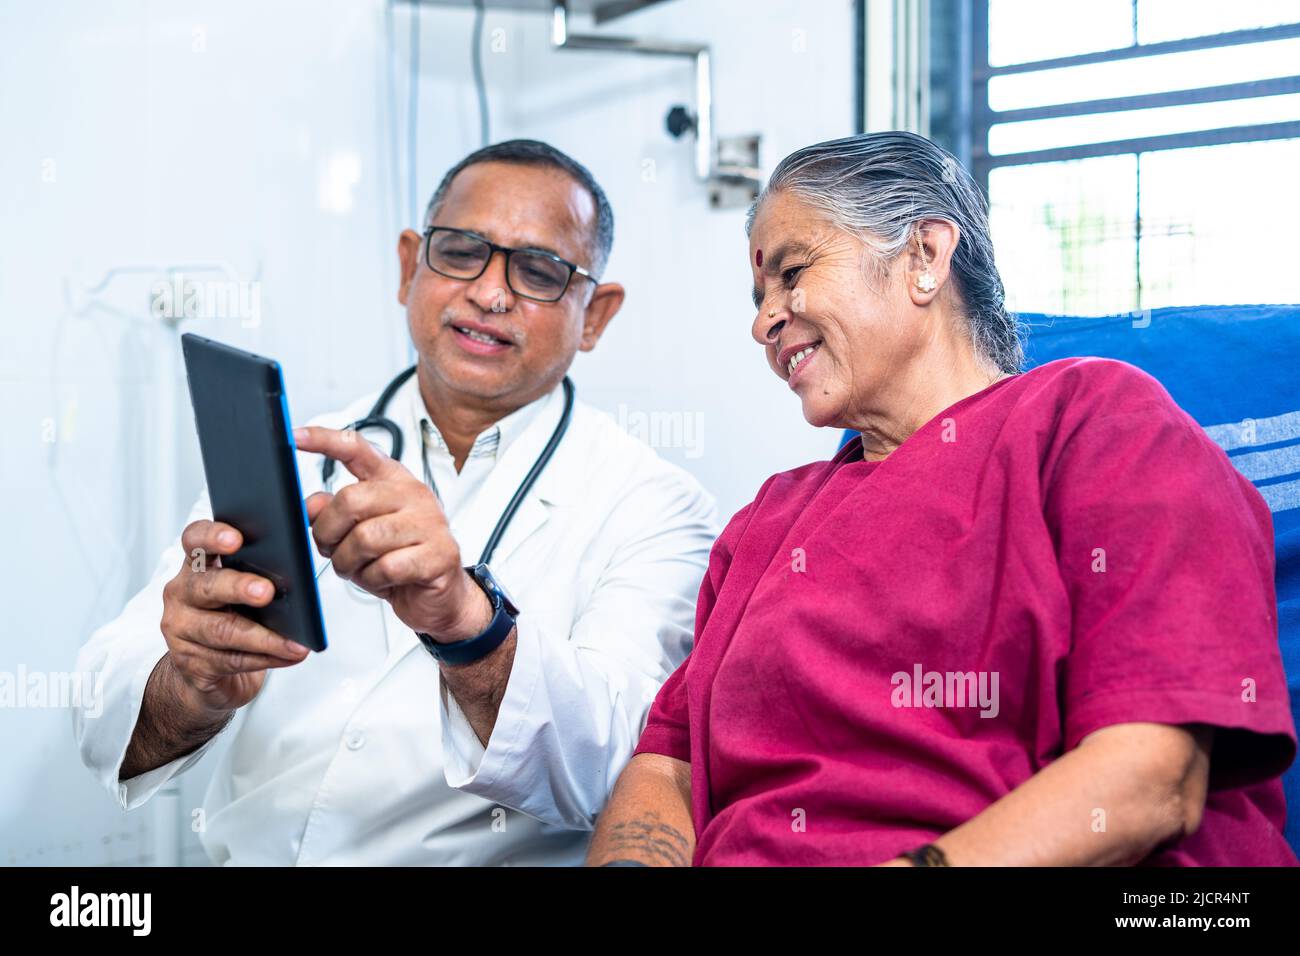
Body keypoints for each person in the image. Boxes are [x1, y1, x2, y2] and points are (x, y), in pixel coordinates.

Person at [588, 131, 1297, 867]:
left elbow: (1153, 777)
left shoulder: (1097, 422)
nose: (763, 321)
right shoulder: (766, 525)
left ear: (925, 256)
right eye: (759, 297)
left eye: (792, 272)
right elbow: (667, 767)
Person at [74, 139, 718, 865]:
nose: (491, 292)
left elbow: (615, 774)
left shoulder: (656, 507)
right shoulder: (295, 453)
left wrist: (464, 622)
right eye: (462, 251)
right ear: (411, 266)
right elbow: (105, 723)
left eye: (539, 270)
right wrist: (193, 684)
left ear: (595, 314)